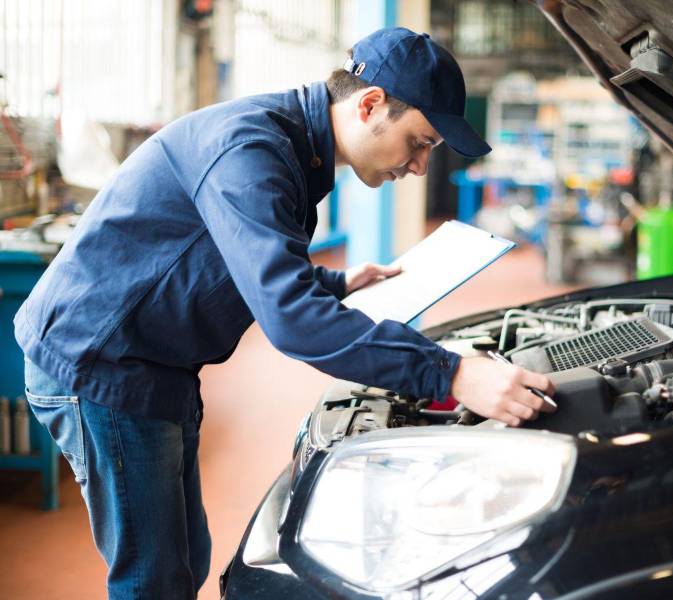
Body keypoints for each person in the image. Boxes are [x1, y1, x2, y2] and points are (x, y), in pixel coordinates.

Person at [15, 27, 555, 599]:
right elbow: (291, 319)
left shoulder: (298, 150)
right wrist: (452, 374)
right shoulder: (251, 150)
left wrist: (334, 281)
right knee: (153, 579)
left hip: (153, 360)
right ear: (369, 104)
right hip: (100, 363)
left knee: (185, 559)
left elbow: (228, 256)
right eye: (419, 142)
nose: (421, 166)